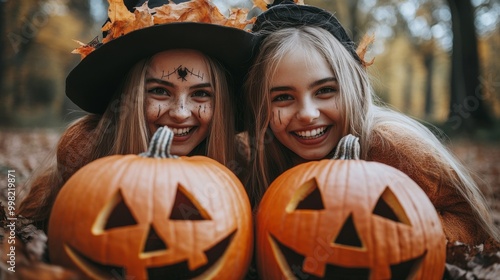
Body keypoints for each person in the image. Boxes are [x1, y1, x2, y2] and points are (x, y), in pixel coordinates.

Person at [243, 0, 499, 245]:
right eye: (284, 97)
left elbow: (470, 220)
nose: (308, 114)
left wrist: (401, 242)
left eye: (325, 91)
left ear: (352, 88)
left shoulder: (391, 147)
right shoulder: (262, 158)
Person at [18, 0, 255, 235]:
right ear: (128, 97)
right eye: (159, 91)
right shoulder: (85, 153)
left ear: (221, 103)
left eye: (201, 93)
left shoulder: (240, 163)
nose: (181, 113)